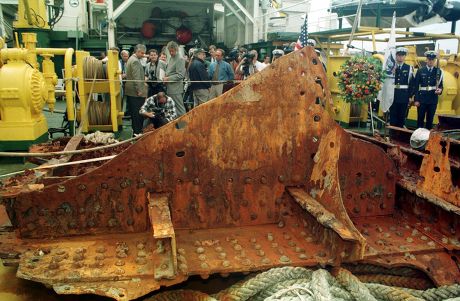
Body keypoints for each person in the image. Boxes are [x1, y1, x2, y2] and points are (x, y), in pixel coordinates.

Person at [413, 50, 443, 129]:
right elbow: (416, 86)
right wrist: (416, 99)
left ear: (435, 60)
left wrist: (440, 91)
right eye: (429, 59)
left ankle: (427, 139)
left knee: (430, 120)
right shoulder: (420, 71)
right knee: (420, 120)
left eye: (433, 60)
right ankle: (418, 138)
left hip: (432, 99)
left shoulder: (438, 71)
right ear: (426, 60)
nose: (431, 61)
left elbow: (441, 86)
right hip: (422, 99)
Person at [389, 47, 414, 128]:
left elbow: (411, 83)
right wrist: (391, 73)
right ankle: (392, 136)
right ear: (396, 56)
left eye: (402, 55)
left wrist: (410, 96)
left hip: (404, 96)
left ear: (405, 57)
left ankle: (398, 136)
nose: (400, 57)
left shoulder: (409, 68)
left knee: (401, 117)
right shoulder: (391, 67)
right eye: (399, 55)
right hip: (393, 95)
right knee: (393, 117)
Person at [125, 44, 147, 135]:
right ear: (137, 51)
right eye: (142, 53)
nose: (143, 55)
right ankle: (137, 132)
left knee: (134, 113)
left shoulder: (131, 59)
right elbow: (136, 77)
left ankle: (136, 131)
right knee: (138, 114)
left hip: (131, 91)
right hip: (136, 92)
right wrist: (139, 90)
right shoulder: (135, 61)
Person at [164, 41, 187, 116]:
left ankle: (184, 126)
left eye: (172, 51)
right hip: (170, 88)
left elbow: (180, 75)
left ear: (176, 49)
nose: (171, 52)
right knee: (173, 109)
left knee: (180, 109)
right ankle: (177, 126)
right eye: (169, 51)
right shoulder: (171, 58)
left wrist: (168, 78)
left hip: (176, 89)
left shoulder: (180, 59)